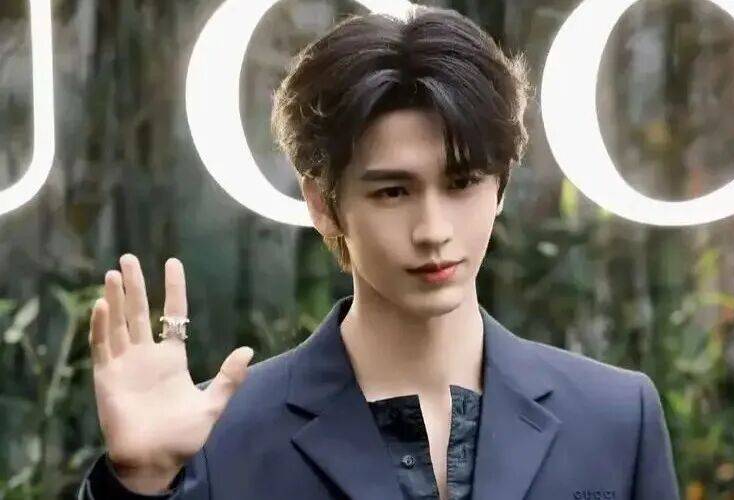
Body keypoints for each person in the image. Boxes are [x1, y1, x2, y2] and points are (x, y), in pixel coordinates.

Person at [77, 5, 679, 500]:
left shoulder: (616, 417)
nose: (433, 230)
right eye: (393, 191)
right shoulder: (218, 434)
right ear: (323, 204)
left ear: (501, 187)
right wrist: (139, 484)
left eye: (462, 183)